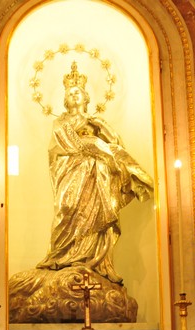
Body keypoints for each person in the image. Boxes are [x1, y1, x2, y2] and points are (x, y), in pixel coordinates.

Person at [35, 61, 154, 284]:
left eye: (78, 92)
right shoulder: (59, 122)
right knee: (66, 208)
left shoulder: (96, 122)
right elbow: (55, 149)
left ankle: (97, 262)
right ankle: (60, 256)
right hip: (70, 171)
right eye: (70, 93)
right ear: (65, 99)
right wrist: (88, 144)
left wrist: (102, 130)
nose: (74, 96)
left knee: (98, 215)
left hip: (96, 174)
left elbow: (116, 145)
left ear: (86, 97)